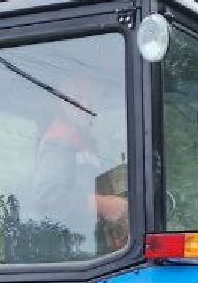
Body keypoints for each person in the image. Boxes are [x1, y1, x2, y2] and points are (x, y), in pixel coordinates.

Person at [29, 72, 128, 257]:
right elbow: (48, 199)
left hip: (91, 247)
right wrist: (104, 205)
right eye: (79, 98)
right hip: (71, 252)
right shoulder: (58, 141)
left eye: (91, 99)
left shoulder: (84, 141)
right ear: (62, 101)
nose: (86, 105)